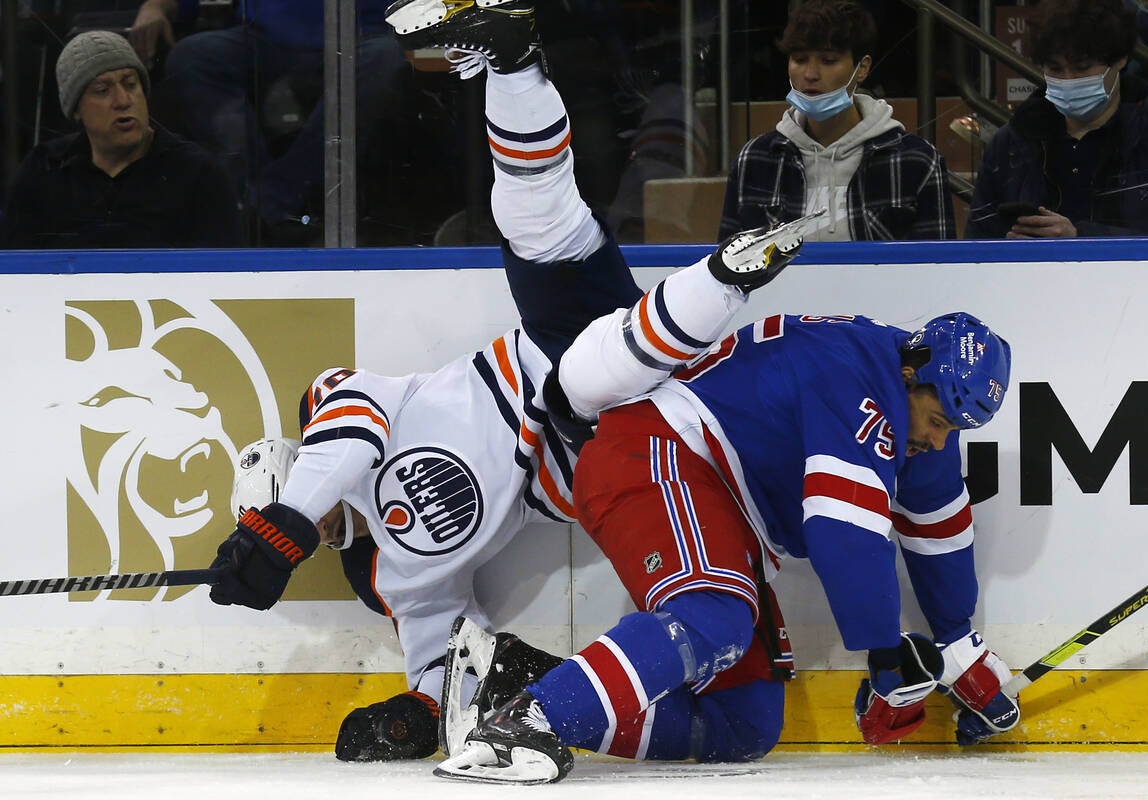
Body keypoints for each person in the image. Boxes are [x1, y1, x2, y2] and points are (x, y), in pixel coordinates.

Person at [209, 0, 807, 764]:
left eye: (298, 505)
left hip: (534, 351)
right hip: (583, 456)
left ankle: (514, 59)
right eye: (304, 529)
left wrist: (283, 523)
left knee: (536, 218)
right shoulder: (385, 572)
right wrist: (414, 714)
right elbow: (448, 653)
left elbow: (347, 432)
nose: (319, 529)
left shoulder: (334, 410)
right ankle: (718, 284)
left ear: (296, 470)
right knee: (599, 377)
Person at [436, 302, 1020, 783]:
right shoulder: (856, 377)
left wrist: (962, 650)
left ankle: (511, 684)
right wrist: (884, 655)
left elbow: (939, 528)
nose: (941, 442)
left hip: (715, 499)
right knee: (713, 618)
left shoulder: (915, 411)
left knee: (743, 724)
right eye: (940, 422)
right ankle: (532, 723)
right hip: (657, 452)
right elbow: (845, 532)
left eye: (955, 431)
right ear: (912, 375)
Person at [130, 0, 407, 234]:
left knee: (385, 59)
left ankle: (268, 204)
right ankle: (250, 200)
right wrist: (156, 6)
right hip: (266, 40)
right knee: (195, 56)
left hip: (362, 39)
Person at [719, 0, 955, 242]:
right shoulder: (755, 160)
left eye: (828, 61)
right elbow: (725, 265)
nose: (810, 74)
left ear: (862, 68)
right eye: (799, 60)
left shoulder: (917, 161)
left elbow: (937, 269)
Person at [965, 0, 1148, 238]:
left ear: (1120, 60)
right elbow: (976, 245)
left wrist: (1081, 239)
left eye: (1083, 68)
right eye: (1055, 69)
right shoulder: (1010, 144)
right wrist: (1006, 252)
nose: (1069, 80)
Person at [0, 30, 241, 249]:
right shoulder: (44, 167)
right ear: (75, 109)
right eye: (102, 90)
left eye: (131, 84)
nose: (123, 100)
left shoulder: (198, 173)